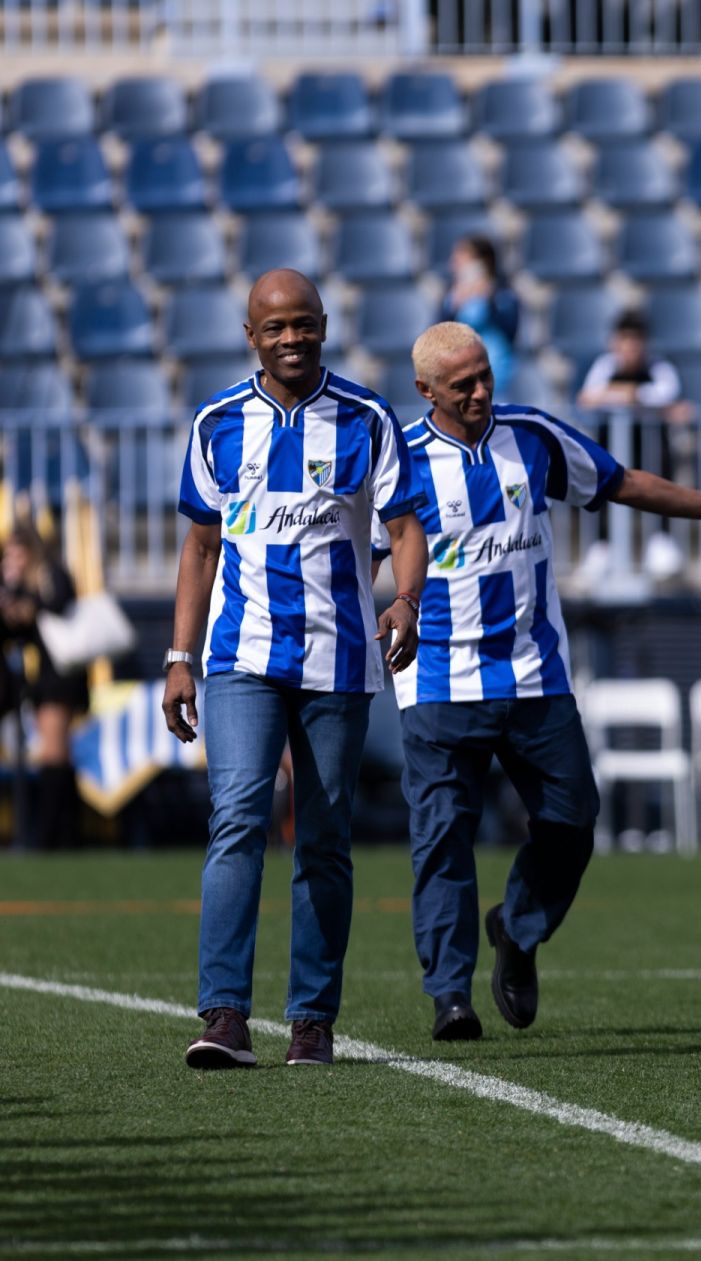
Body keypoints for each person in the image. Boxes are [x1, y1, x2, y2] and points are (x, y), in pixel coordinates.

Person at [383, 323, 701, 1041]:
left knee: (573, 822)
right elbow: (355, 553)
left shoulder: (532, 436)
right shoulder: (399, 460)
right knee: (442, 841)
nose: (479, 391)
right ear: (425, 391)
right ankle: (449, 997)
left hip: (534, 676)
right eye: (461, 383)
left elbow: (620, 483)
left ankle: (519, 929)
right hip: (437, 684)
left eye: (484, 375)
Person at [163, 269, 427, 1071]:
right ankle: (224, 1016)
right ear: (251, 335)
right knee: (239, 814)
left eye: (303, 324)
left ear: (324, 326)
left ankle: (311, 1021)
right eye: (274, 327)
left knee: (324, 837)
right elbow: (201, 548)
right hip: (240, 658)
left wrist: (406, 600)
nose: (290, 338)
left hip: (339, 661)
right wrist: (178, 659)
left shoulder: (367, 418)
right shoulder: (217, 424)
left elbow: (407, 527)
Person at [0, 522, 88, 848]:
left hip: (60, 676)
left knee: (54, 753)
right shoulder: (19, 585)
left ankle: (53, 836)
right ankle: (63, 834)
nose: (11, 560)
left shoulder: (50, 574)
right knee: (56, 754)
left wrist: (30, 604)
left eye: (16, 553)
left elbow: (60, 603)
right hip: (43, 679)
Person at [575, 309, 687, 419]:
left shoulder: (660, 366)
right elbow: (587, 398)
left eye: (636, 339)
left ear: (645, 342)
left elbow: (668, 395)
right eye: (625, 338)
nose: (630, 345)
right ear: (615, 342)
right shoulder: (605, 364)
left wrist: (627, 394)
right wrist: (633, 395)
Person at [441, 236, 519, 393]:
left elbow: (511, 329)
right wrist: (455, 304)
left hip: (496, 365)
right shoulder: (451, 296)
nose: (454, 264)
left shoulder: (502, 293)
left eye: (461, 259)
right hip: (461, 367)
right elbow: (439, 333)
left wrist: (490, 298)